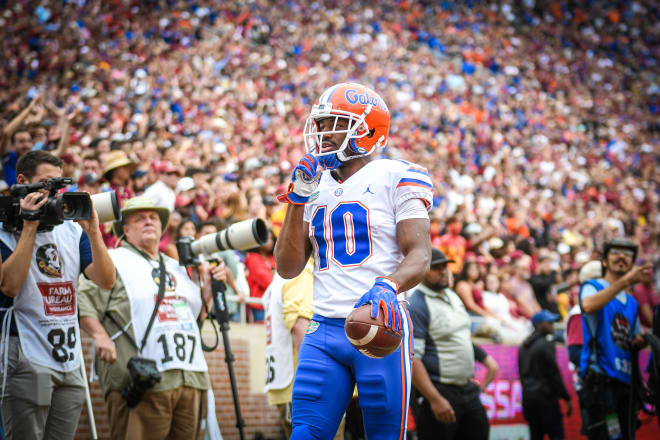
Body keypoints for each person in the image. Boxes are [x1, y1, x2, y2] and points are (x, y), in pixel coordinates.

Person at [274, 82, 432, 439]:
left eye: (335, 123)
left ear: (367, 129)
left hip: (381, 319)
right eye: (322, 123)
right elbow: (287, 268)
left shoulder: (398, 175)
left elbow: (421, 254)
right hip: (322, 329)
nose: (323, 133)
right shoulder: (313, 184)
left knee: (384, 435)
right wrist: (298, 199)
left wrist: (388, 285)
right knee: (305, 433)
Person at [78, 196, 224, 440]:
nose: (149, 222)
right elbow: (83, 301)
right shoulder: (112, 260)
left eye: (154, 218)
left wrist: (208, 288)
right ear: (125, 229)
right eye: (140, 218)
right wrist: (99, 335)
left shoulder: (177, 266)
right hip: (140, 378)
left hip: (189, 376)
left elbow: (193, 317)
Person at [0, 150, 115, 439]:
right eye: (45, 184)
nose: (53, 194)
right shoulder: (4, 231)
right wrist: (29, 225)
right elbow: (9, 285)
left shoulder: (71, 231)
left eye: (58, 187)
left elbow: (105, 279)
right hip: (25, 351)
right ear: (22, 181)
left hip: (68, 357)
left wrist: (93, 231)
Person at [407, 248, 489, 440]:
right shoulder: (418, 304)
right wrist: (434, 399)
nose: (444, 271)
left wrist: (486, 359)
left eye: (445, 266)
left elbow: (459, 337)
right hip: (440, 389)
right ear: (422, 270)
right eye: (436, 268)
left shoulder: (452, 295)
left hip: (467, 388)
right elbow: (413, 358)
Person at [580, 238, 653, 440]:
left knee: (625, 436)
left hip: (625, 382)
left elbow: (634, 337)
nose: (622, 257)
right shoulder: (592, 286)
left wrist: (643, 340)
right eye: (615, 252)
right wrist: (626, 282)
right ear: (604, 261)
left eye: (628, 255)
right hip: (601, 381)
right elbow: (588, 306)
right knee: (607, 437)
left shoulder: (632, 302)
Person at [518, 310, 572, 440]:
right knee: (556, 435)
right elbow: (554, 374)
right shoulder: (545, 345)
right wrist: (566, 397)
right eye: (549, 322)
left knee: (536, 436)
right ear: (539, 324)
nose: (553, 325)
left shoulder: (523, 347)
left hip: (529, 401)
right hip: (546, 400)